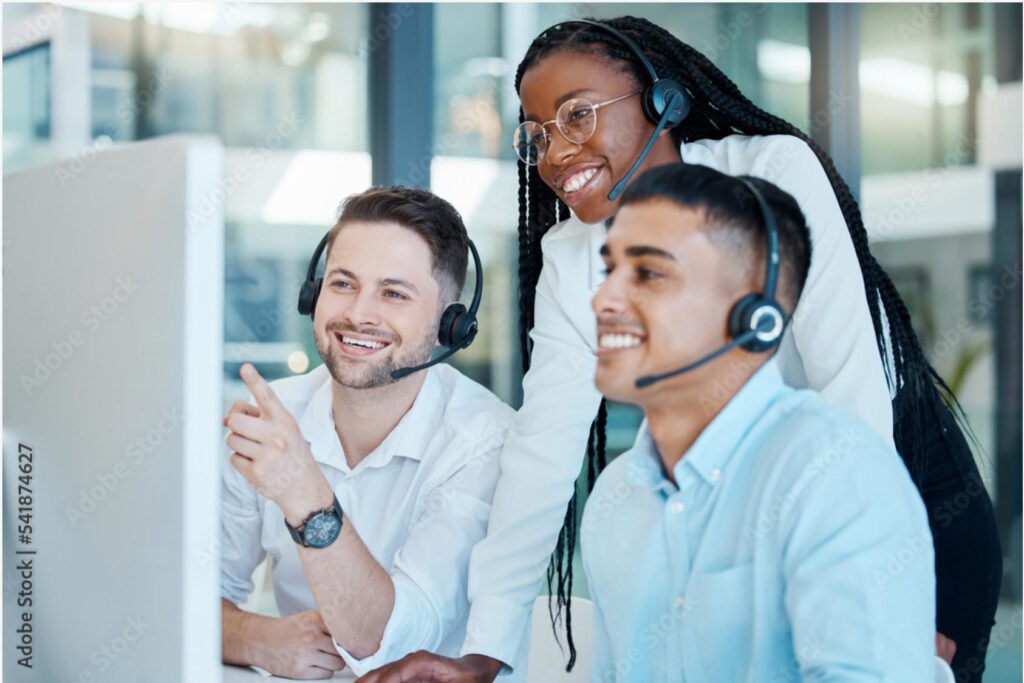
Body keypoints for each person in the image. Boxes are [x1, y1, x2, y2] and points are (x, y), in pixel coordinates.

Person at [364, 16, 999, 683]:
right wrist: (482, 654)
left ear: (661, 100)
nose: (555, 154)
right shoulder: (574, 256)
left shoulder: (769, 176)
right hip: (723, 507)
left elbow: (852, 389)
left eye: (577, 115)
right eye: (538, 135)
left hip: (896, 489)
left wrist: (878, 588)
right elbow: (540, 460)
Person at [580, 162, 935, 681]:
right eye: (610, 271)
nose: (603, 300)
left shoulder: (836, 476)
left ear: (755, 319)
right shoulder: (614, 501)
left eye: (649, 273)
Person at [219, 186, 513, 679]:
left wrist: (305, 495)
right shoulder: (273, 416)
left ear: (450, 322)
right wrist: (254, 637)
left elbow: (392, 644)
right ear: (313, 294)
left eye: (394, 293)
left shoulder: (485, 442)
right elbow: (182, 601)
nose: (358, 314)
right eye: (342, 284)